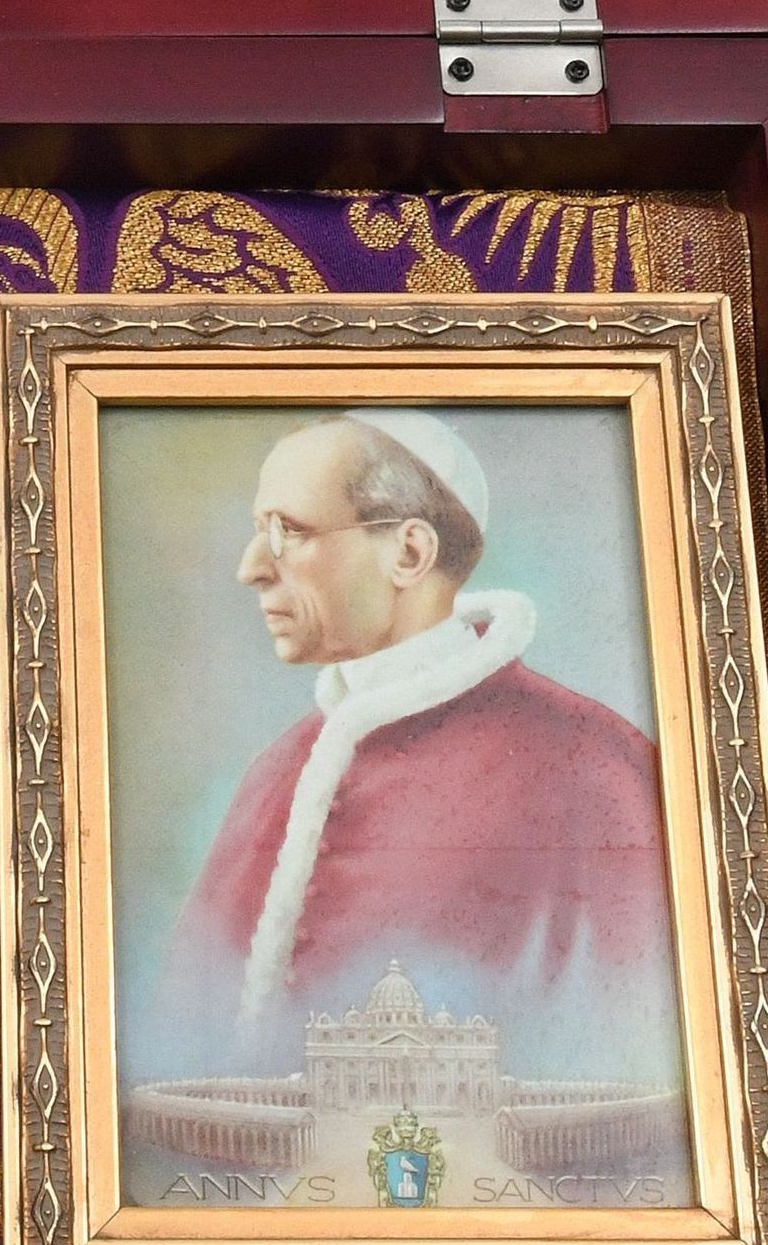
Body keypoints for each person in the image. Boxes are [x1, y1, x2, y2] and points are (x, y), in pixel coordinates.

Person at [152, 410, 682, 1092]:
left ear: (408, 553)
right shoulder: (277, 773)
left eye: (290, 531)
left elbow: (635, 1054)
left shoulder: (592, 762)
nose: (251, 568)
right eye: (260, 530)